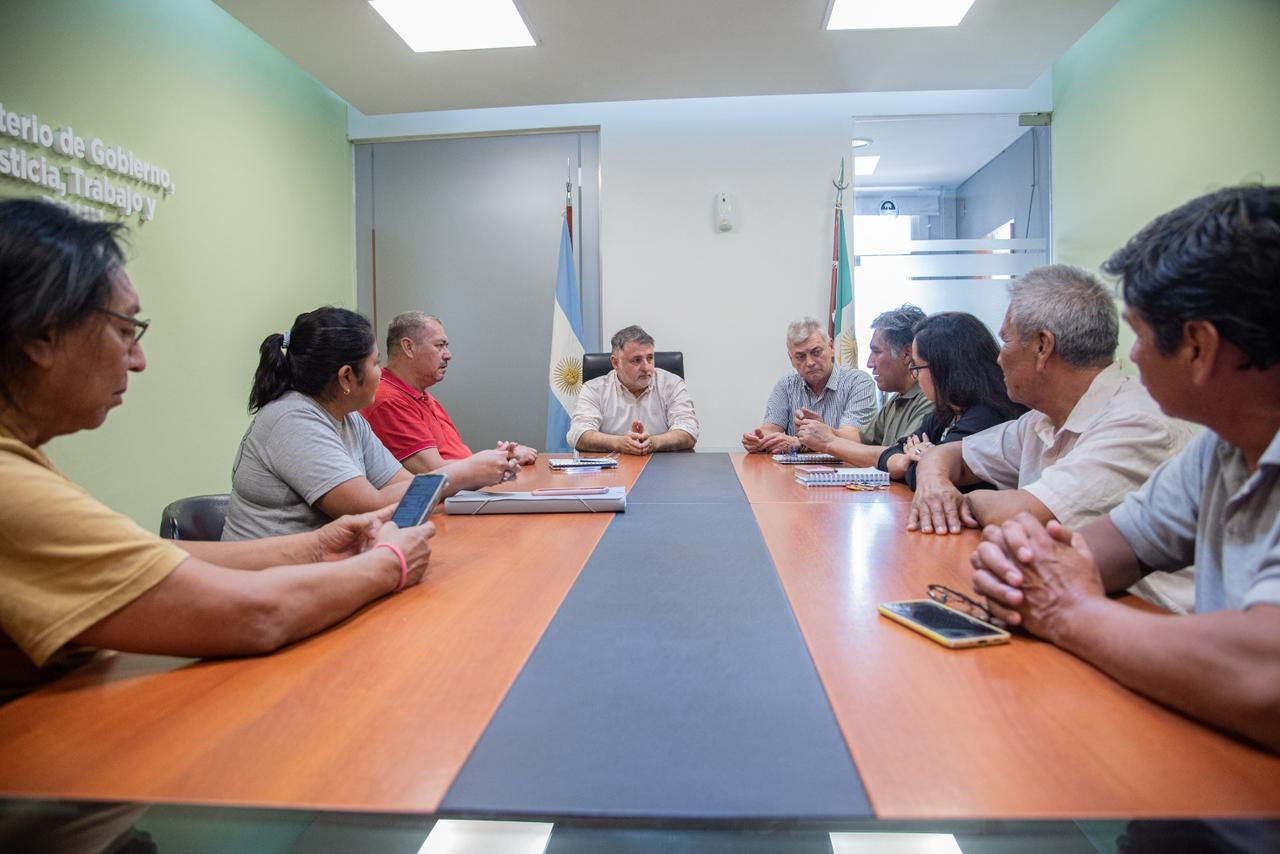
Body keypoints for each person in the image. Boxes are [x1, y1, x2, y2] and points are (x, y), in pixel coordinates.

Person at [0, 199, 433, 703]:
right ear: (42, 335)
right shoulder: (12, 488)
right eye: (124, 330)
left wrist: (317, 547)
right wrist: (387, 564)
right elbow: (256, 616)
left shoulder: (25, 460)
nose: (137, 359)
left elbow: (154, 559)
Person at [969, 186, 1280, 753]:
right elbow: (1103, 552)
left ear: (1198, 348)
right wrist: (1022, 571)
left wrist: (1066, 610)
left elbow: (1266, 676)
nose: (1129, 357)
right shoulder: (1221, 449)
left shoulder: (1152, 422)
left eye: (1137, 335)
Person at [907, 265, 1194, 611]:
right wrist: (936, 484)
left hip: (1149, 621)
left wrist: (963, 501)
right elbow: (949, 455)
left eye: (1006, 341)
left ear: (1043, 346)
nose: (998, 358)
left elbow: (1023, 516)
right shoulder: (1040, 420)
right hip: (1074, 603)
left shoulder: (1137, 421)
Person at [223, 308, 517, 540]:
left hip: (320, 569)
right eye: (376, 363)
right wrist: (465, 472)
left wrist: (478, 471)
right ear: (346, 377)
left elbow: (404, 486)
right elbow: (368, 507)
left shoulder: (348, 419)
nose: (381, 372)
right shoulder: (291, 421)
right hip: (269, 584)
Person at [362, 311, 538, 471]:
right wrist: (504, 457)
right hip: (445, 502)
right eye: (439, 345)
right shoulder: (388, 401)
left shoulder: (422, 395)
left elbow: (455, 458)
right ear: (408, 347)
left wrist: (499, 456)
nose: (448, 355)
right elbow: (433, 470)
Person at [877, 312, 1024, 489]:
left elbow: (926, 478)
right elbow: (892, 453)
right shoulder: (947, 411)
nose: (914, 375)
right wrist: (904, 460)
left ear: (943, 368)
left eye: (917, 366)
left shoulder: (987, 414)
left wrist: (920, 462)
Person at [795, 305, 932, 466]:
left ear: (907, 354)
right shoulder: (898, 398)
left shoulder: (928, 399)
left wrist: (828, 442)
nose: (869, 363)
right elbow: (862, 441)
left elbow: (899, 458)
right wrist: (822, 429)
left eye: (877, 352)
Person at [741, 317, 875, 454]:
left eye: (816, 352)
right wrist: (759, 439)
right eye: (800, 357)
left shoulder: (859, 382)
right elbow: (771, 428)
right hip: (792, 473)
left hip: (844, 471)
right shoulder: (786, 385)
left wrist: (804, 441)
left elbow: (854, 438)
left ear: (831, 347)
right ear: (791, 359)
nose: (810, 362)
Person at [568, 325, 699, 454]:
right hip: (612, 470)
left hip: (664, 468)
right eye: (637, 360)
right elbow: (578, 434)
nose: (646, 367)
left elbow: (689, 430)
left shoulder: (672, 384)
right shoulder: (594, 389)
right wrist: (619, 443)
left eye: (650, 358)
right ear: (615, 363)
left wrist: (654, 442)